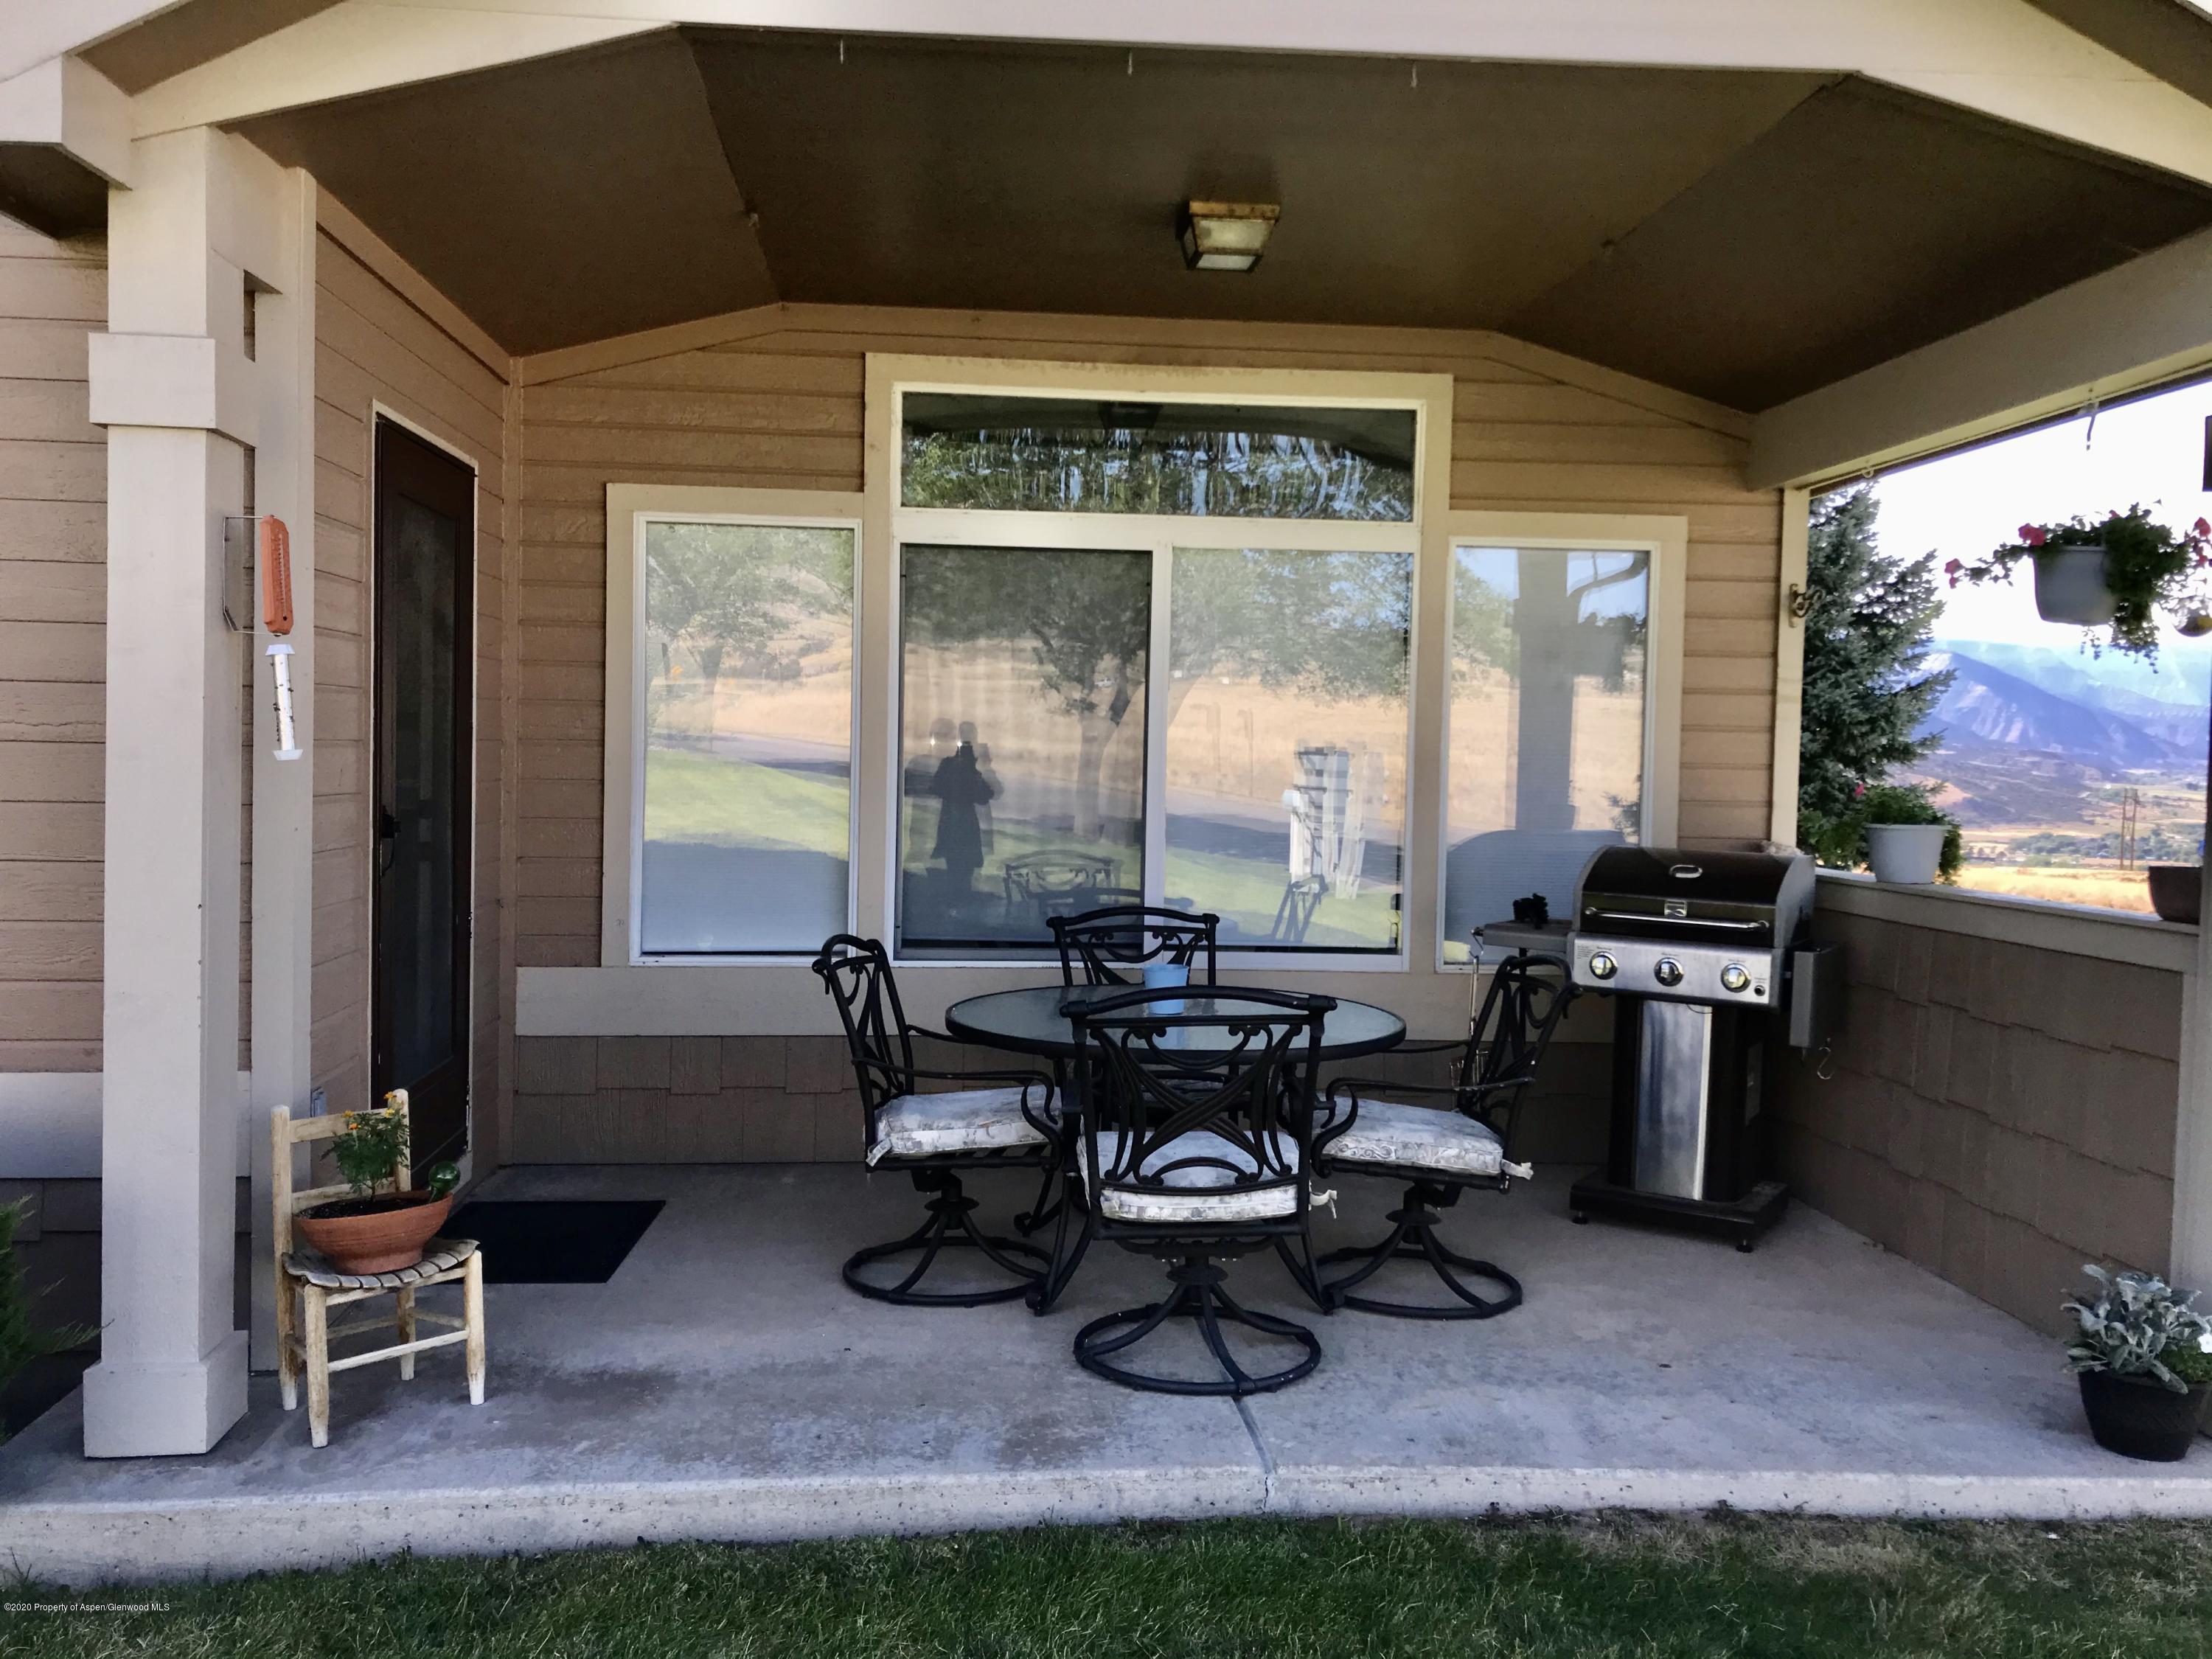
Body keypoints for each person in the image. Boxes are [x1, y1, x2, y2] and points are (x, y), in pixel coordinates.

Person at [928, 728, 995, 909]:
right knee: (959, 865)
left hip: (958, 821)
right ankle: (956, 901)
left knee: (961, 865)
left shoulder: (960, 769)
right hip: (959, 821)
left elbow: (986, 795)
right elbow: (984, 796)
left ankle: (958, 901)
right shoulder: (953, 767)